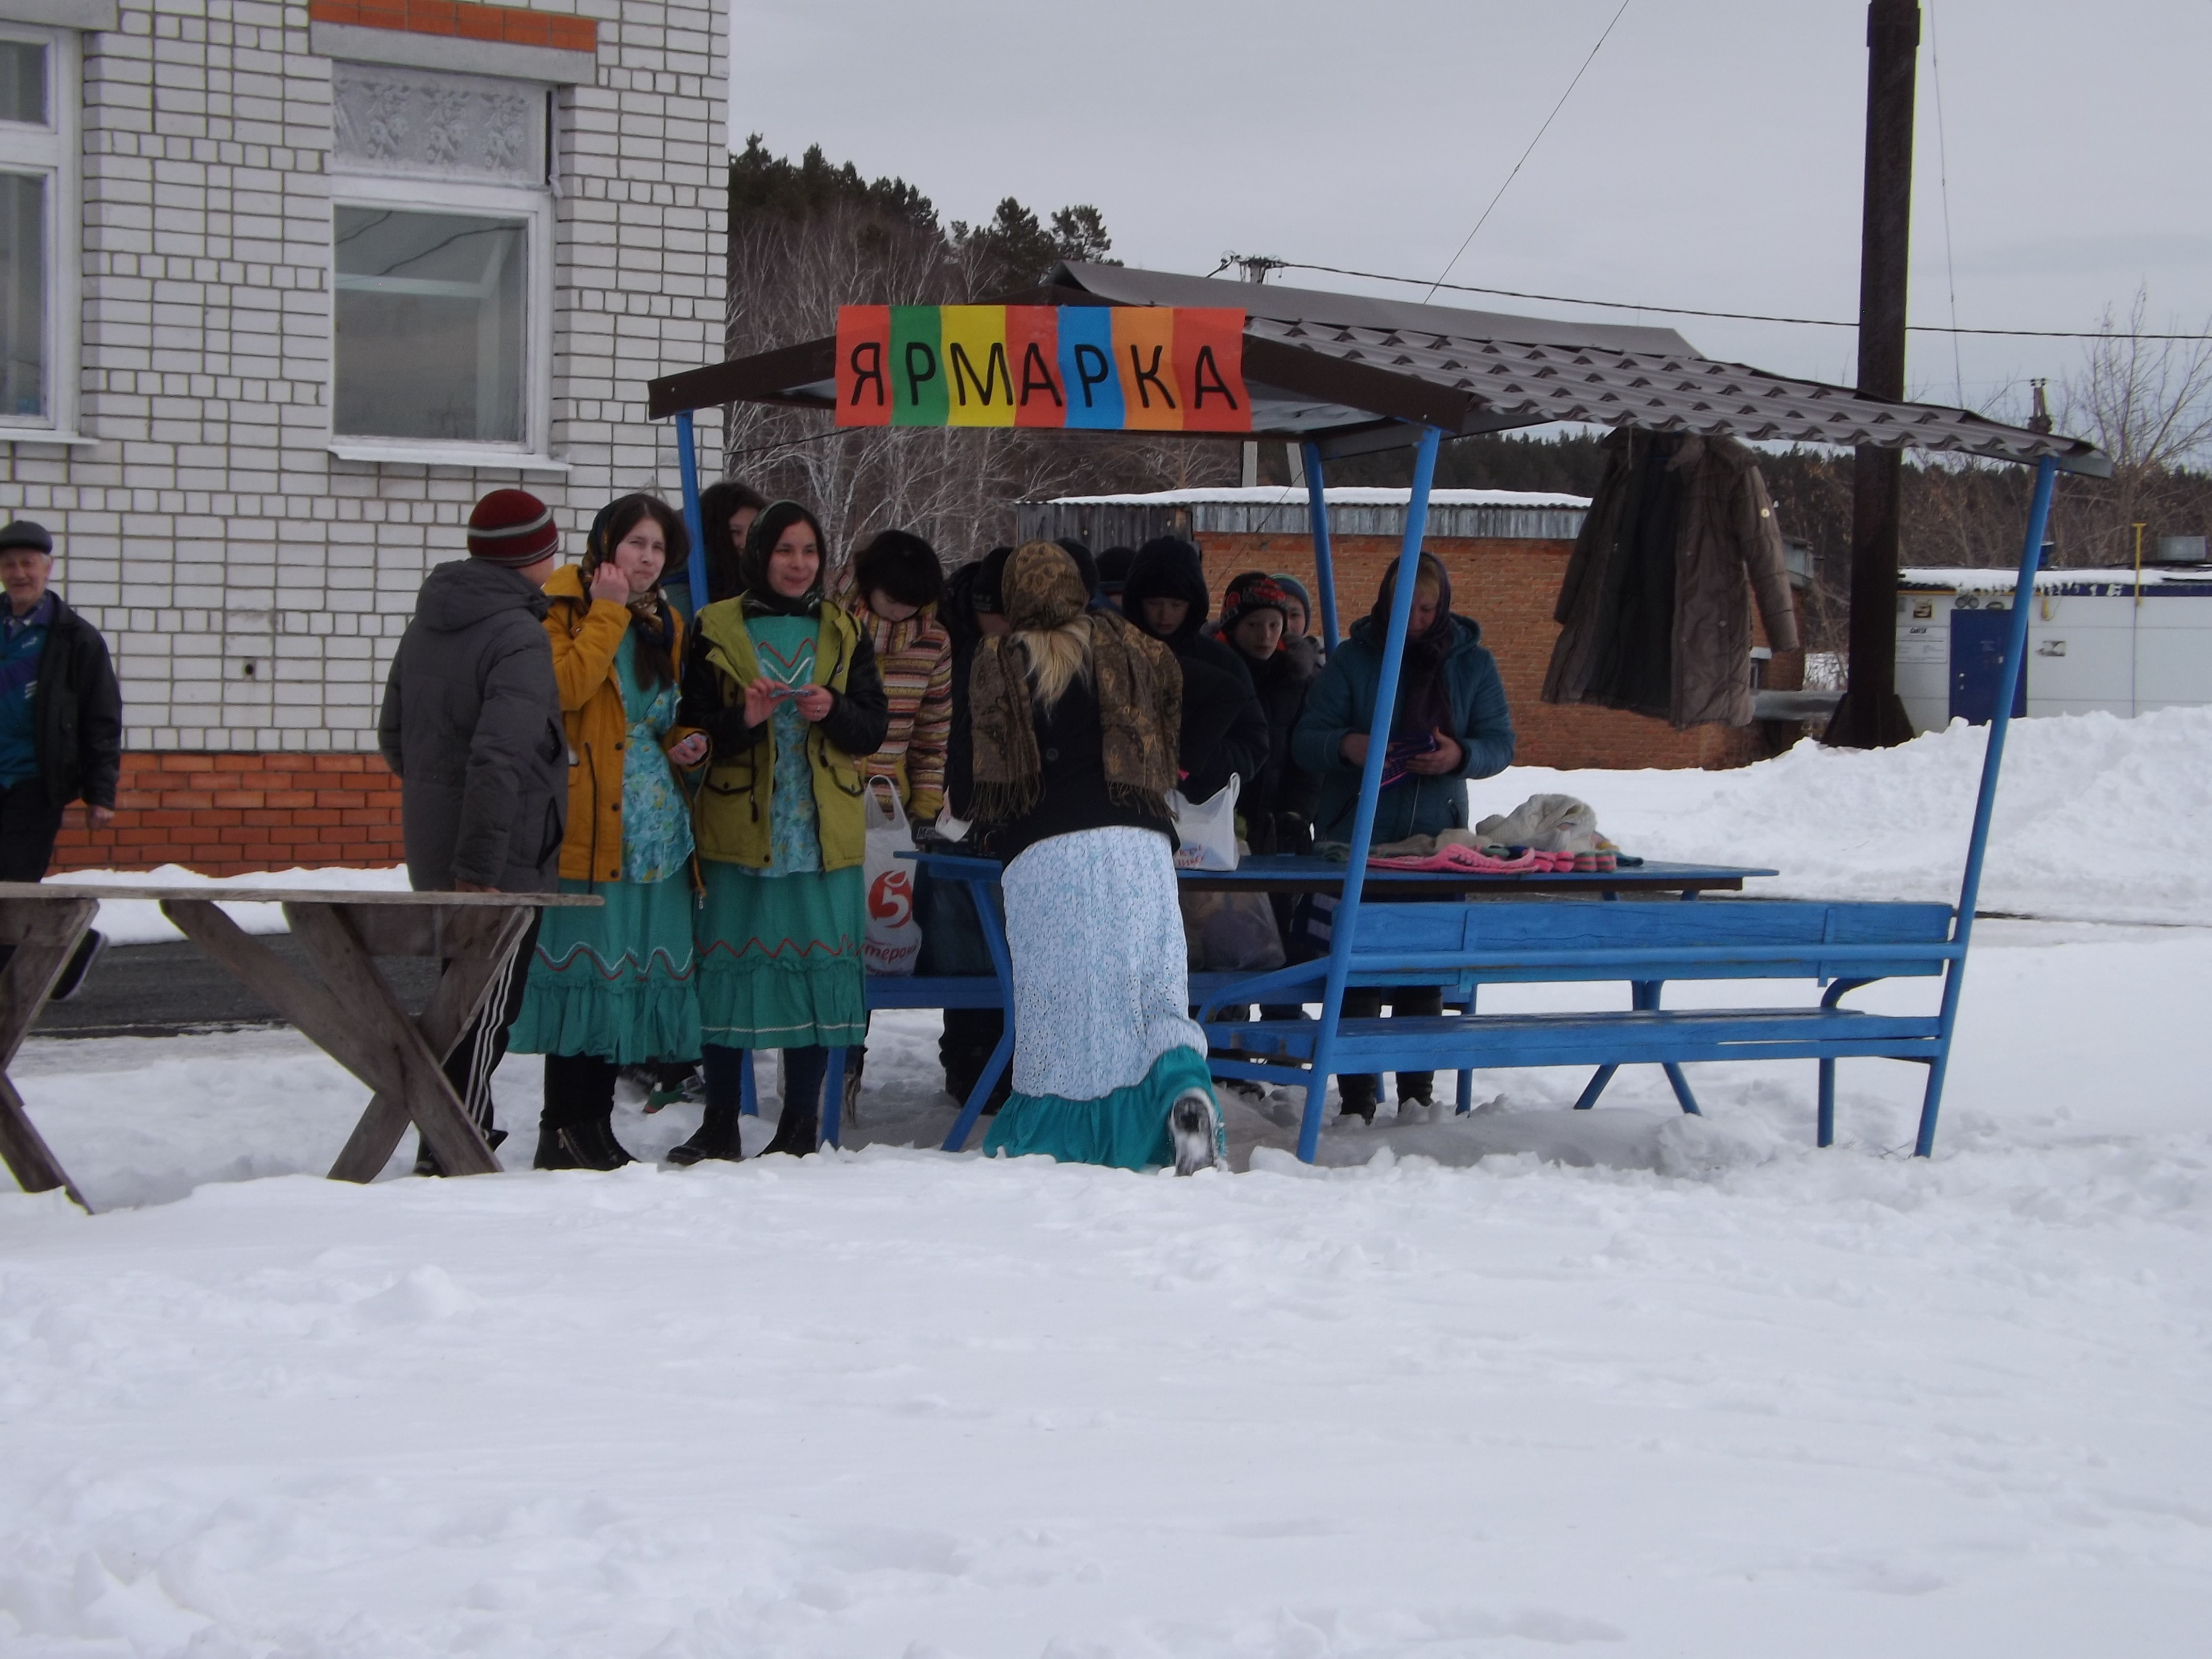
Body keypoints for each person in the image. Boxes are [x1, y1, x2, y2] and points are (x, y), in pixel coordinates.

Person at [950, 541, 1219, 1174]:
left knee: (1064, 1010)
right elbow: (1226, 692)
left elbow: (965, 792)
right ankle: (1181, 1087)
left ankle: (1069, 1142)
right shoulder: (1133, 647)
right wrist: (1167, 760)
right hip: (1141, 846)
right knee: (1154, 990)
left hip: (1047, 855)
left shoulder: (998, 661)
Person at [675, 500, 887, 1161]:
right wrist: (743, 719)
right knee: (726, 971)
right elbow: (690, 727)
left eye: (810, 551)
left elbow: (872, 727)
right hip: (739, 827)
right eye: (785, 550)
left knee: (813, 973)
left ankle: (798, 1125)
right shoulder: (715, 626)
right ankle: (720, 1122)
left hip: (821, 834)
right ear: (759, 555)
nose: (799, 564)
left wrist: (835, 710)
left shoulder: (843, 629)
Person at [505, 494, 708, 1170]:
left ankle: (592, 1126)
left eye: (659, 549)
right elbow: (564, 688)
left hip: (654, 834)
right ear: (604, 545)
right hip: (591, 821)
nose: (647, 559)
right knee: (587, 973)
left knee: (621, 977)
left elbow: (660, 713)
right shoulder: (563, 605)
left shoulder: (663, 620)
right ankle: (563, 1127)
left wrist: (685, 742)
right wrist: (607, 612)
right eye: (636, 544)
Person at [378, 489, 568, 1170]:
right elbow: (501, 755)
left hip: (438, 845)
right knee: (486, 1006)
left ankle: (465, 1129)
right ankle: (451, 1142)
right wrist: (482, 866)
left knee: (456, 994)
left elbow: (394, 736)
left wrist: (436, 804)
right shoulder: (517, 633)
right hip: (497, 855)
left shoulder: (431, 620)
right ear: (533, 554)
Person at [1290, 551, 1515, 1122]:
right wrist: (1350, 746)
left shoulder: (1473, 663)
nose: (1414, 620)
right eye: (1402, 607)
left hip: (1436, 844)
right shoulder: (1353, 659)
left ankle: (1418, 1095)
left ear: (1444, 608)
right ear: (1384, 603)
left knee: (1424, 971)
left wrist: (1459, 755)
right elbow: (1306, 739)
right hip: (1355, 838)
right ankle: (1357, 1098)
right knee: (1356, 970)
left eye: (1426, 609)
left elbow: (1499, 743)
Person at [837, 527, 952, 1114]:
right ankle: (830, 1061)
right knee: (831, 942)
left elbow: (932, 737)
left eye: (913, 601)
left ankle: (849, 1064)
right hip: (826, 801)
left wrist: (925, 812)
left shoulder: (934, 642)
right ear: (866, 585)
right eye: (891, 599)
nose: (902, 611)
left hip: (887, 813)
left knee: (874, 940)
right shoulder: (832, 626)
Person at [0, 520, 121, 1001]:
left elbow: (101, 718)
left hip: (36, 784)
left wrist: (100, 792)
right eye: (9, 565)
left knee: (12, 888)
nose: (18, 573)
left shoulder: (75, 639)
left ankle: (42, 971)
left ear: (47, 568)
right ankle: (74, 949)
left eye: (28, 564)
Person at [926, 545, 1016, 1111]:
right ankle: (966, 1057)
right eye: (994, 614)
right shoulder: (955, 647)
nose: (1001, 626)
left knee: (1011, 946)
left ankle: (1004, 1059)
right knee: (967, 941)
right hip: (956, 812)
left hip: (1015, 816)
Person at [1119, 536, 1268, 807]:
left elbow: (1253, 745)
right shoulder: (1113, 654)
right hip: (1120, 805)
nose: (1165, 615)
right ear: (1136, 601)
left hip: (1198, 810)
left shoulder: (1222, 662)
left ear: (1194, 603)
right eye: (1154, 603)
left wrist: (1193, 759)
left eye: (1177, 605)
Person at [1215, 572, 1319, 857]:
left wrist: (1298, 812)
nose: (1266, 636)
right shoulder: (1211, 673)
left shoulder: (1296, 679)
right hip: (1217, 818)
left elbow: (1305, 760)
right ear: (1233, 626)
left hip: (1277, 823)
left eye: (1275, 625)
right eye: (1253, 625)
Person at [696, 479, 768, 606]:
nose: (746, 542)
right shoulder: (693, 585)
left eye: (754, 530)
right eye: (734, 532)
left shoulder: (764, 581)